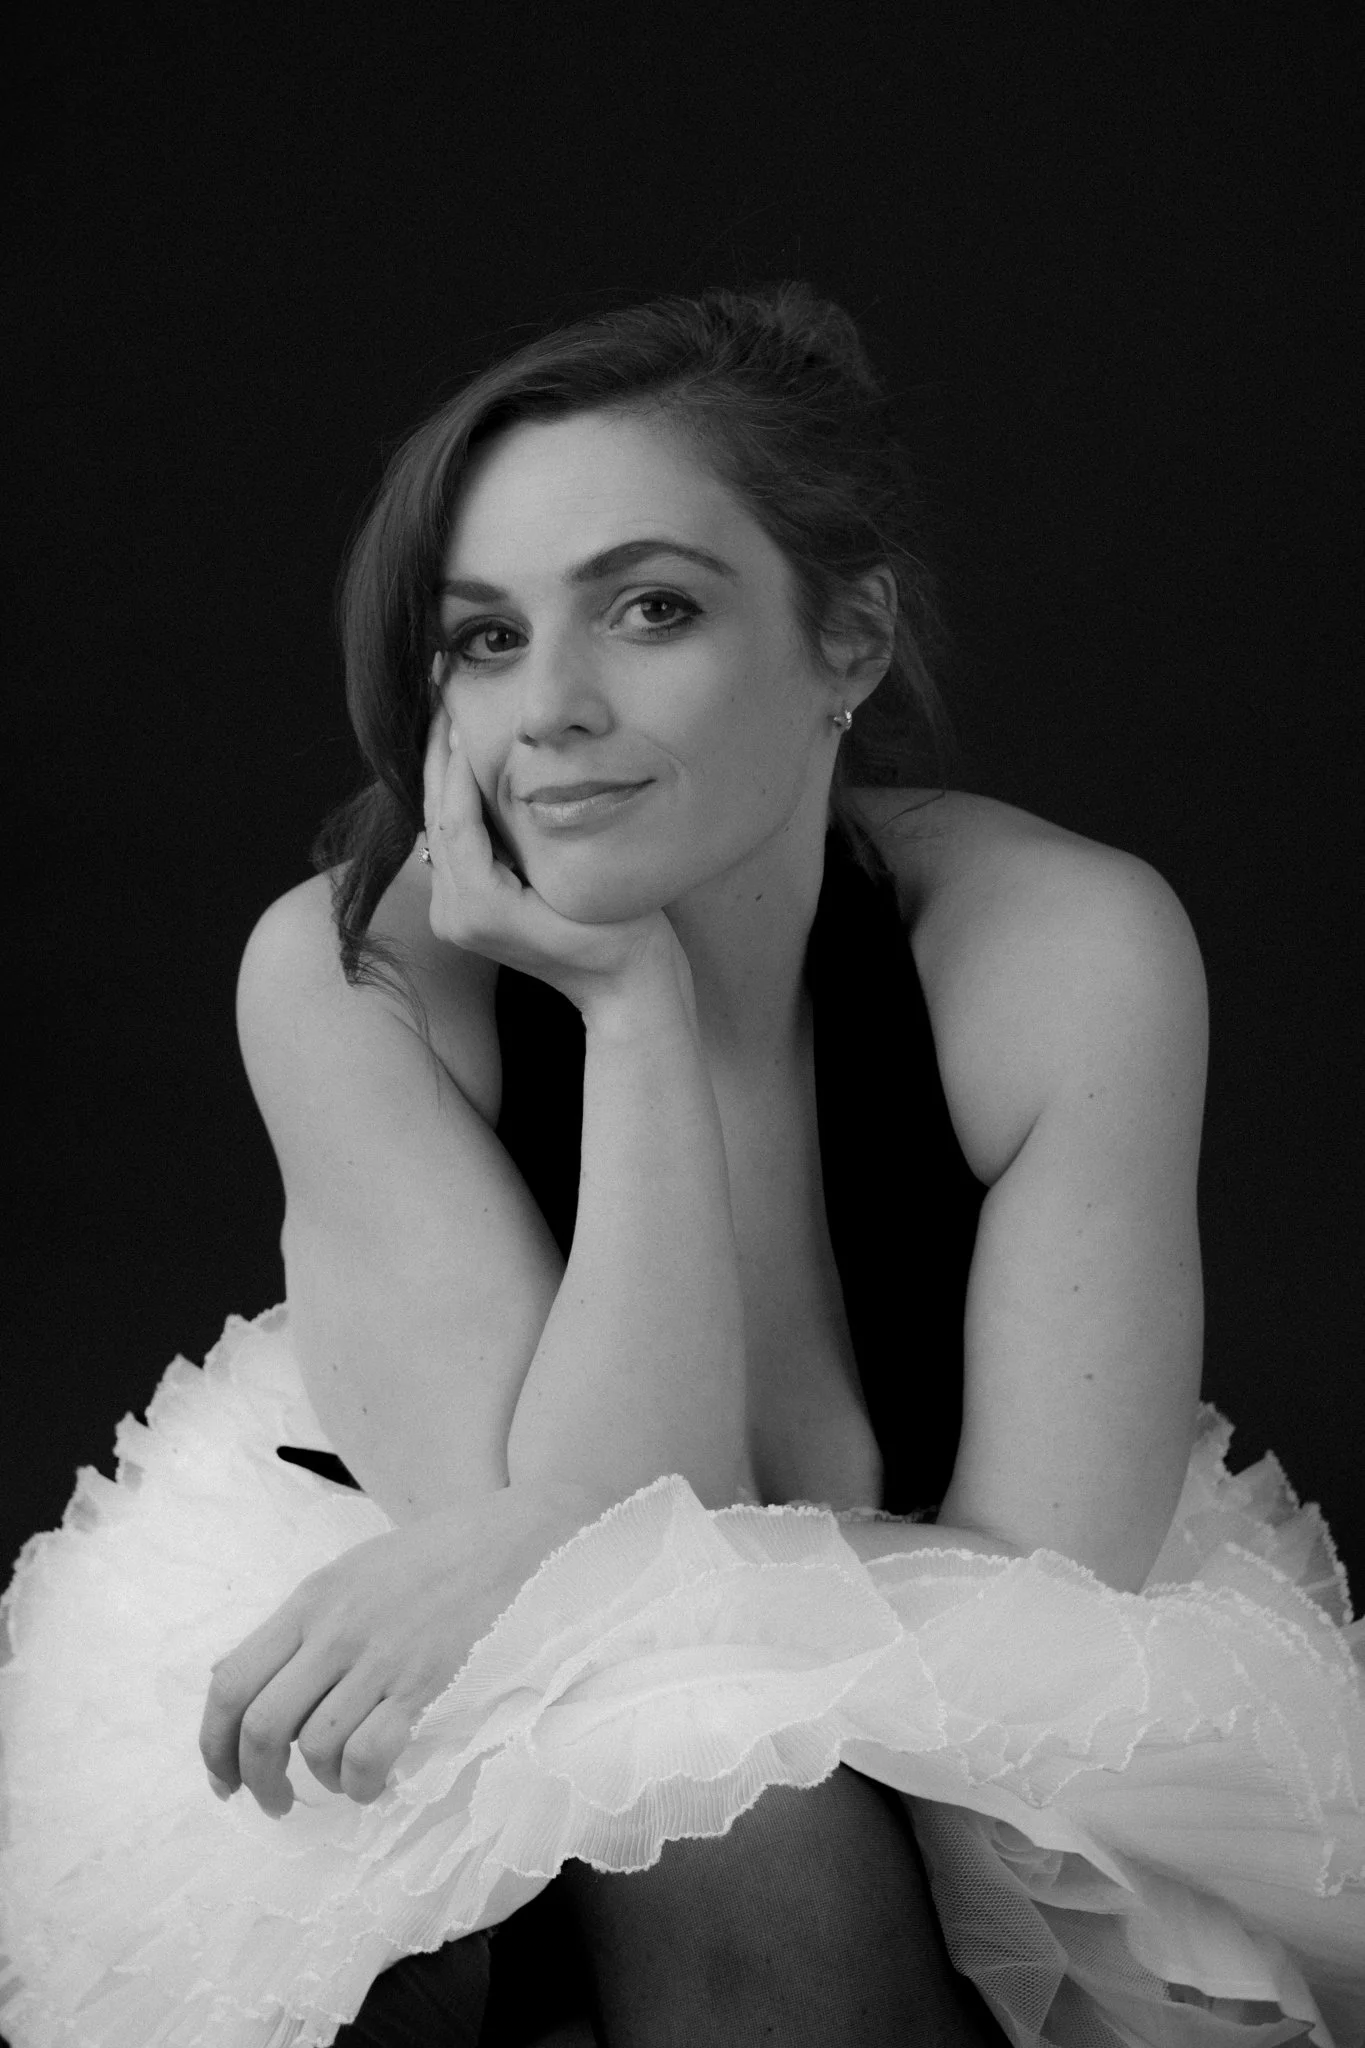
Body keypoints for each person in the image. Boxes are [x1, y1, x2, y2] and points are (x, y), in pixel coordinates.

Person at [1, 284, 1361, 2048]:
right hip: (462, 1672)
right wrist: (631, 1015)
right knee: (629, 1796)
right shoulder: (352, 974)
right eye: (483, 639)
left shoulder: (1062, 950)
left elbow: (1038, 1622)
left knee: (738, 1800)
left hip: (953, 1732)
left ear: (848, 638)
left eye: (650, 608)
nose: (552, 706)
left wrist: (555, 1521)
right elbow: (595, 1634)